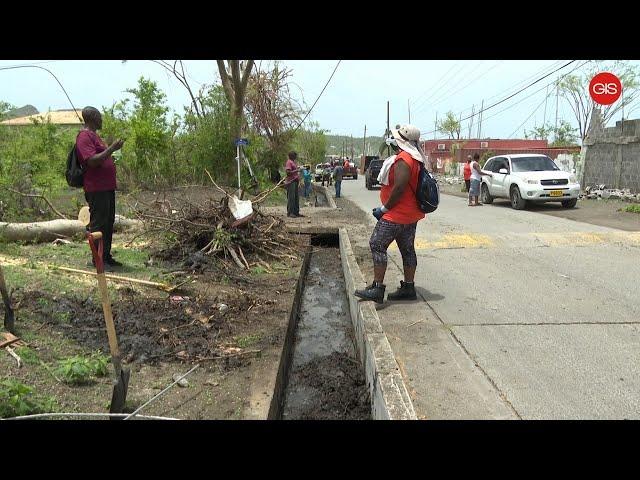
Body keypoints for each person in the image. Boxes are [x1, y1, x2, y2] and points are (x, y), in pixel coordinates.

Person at [355, 124, 428, 304]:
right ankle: (409, 288)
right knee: (407, 249)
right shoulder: (416, 158)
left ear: (401, 141)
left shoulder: (404, 158)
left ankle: (377, 288)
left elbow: (400, 187)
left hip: (396, 214)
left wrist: (384, 209)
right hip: (411, 214)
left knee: (377, 244)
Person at [76, 106, 125, 269]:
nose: (101, 119)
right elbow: (92, 161)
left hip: (106, 187)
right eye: (99, 116)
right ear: (92, 118)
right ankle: (97, 260)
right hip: (96, 188)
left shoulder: (94, 136)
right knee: (98, 224)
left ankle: (106, 256)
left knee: (108, 222)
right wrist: (111, 148)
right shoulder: (84, 137)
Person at [284, 151, 303, 218]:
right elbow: (288, 172)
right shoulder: (289, 162)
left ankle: (296, 212)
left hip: (295, 182)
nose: (296, 157)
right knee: (291, 197)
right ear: (292, 156)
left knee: (296, 198)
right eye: (295, 156)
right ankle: (290, 213)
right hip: (291, 182)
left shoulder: (293, 162)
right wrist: (297, 170)